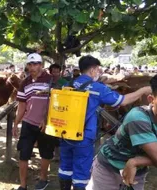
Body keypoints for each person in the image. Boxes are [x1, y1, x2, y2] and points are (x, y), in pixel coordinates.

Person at [58, 55, 152, 190]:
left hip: (65, 132)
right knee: (81, 170)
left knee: (65, 167)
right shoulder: (97, 88)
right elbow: (122, 100)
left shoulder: (69, 84)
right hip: (83, 136)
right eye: (98, 70)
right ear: (93, 70)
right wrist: (142, 91)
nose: (99, 72)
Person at [87, 75, 157, 190]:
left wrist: (137, 161)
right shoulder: (138, 118)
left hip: (136, 171)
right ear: (151, 100)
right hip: (109, 169)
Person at [13, 53, 58, 190]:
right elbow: (22, 105)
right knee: (23, 153)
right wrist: (16, 123)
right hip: (28, 123)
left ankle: (43, 179)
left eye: (36, 64)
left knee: (46, 153)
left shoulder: (52, 80)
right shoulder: (25, 83)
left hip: (47, 124)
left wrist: (46, 119)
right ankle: (23, 185)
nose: (33, 67)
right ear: (27, 66)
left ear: (41, 65)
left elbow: (56, 104)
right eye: (30, 64)